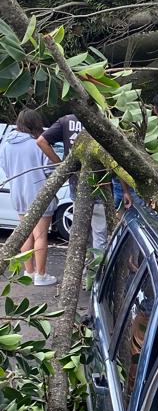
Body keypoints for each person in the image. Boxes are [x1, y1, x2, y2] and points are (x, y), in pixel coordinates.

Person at [37, 111, 109, 253]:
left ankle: (84, 272)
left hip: (76, 186)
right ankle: (97, 272)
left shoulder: (66, 120)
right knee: (100, 235)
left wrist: (61, 164)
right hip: (100, 185)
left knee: (81, 236)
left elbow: (41, 141)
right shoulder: (102, 119)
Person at [0, 109, 57, 285]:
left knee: (25, 234)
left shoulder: (6, 144)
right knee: (40, 235)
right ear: (35, 123)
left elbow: (5, 168)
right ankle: (41, 275)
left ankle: (29, 272)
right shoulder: (38, 144)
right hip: (38, 193)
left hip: (18, 193)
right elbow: (50, 169)